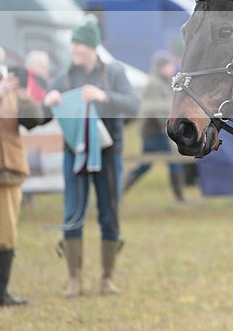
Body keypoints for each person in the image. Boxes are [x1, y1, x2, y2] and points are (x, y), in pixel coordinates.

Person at [43, 19, 139, 296]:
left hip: (108, 155)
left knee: (109, 216)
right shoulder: (63, 77)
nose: (75, 49)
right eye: (73, 43)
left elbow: (133, 105)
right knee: (72, 214)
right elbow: (42, 112)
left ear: (92, 46)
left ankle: (107, 279)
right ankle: (74, 280)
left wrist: (104, 96)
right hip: (74, 155)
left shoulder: (114, 73)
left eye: (80, 44)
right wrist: (48, 101)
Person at [0, 41, 46, 307]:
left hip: (11, 172)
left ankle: (2, 293)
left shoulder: (12, 91)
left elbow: (33, 121)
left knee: (7, 236)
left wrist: (24, 95)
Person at [122, 50, 186, 202]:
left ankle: (119, 191)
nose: (172, 68)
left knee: (144, 165)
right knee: (174, 161)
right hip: (155, 132)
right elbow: (155, 111)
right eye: (168, 65)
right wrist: (168, 127)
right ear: (160, 67)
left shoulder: (164, 83)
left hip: (156, 131)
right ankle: (180, 198)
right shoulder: (154, 84)